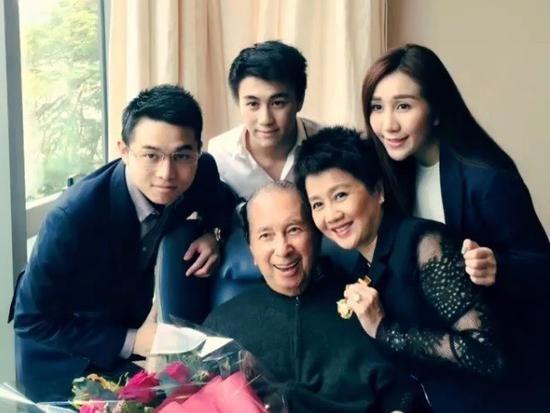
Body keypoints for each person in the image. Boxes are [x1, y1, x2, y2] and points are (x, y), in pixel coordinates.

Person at [11, 85, 236, 401]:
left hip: (124, 336)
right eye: (151, 155)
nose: (167, 173)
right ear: (124, 150)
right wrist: (134, 341)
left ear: (198, 150)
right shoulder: (72, 217)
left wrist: (214, 234)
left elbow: (222, 199)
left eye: (182, 155)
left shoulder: (199, 172)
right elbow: (31, 320)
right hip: (60, 356)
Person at [361, 44, 550, 409]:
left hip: (508, 365)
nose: (388, 124)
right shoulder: (391, 172)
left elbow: (543, 266)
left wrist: (499, 266)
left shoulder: (486, 178)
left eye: (403, 106)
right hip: (439, 357)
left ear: (435, 111)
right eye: (377, 107)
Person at [294, 127, 509, 413]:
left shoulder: (425, 244)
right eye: (318, 204)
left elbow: (487, 355)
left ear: (378, 191)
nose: (331, 215)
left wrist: (384, 330)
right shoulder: (359, 269)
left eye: (341, 195)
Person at [203, 181, 430, 413]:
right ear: (252, 249)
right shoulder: (221, 326)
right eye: (266, 235)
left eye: (294, 230)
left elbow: (404, 392)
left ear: (316, 236)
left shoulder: (365, 305)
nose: (283, 249)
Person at [208, 40, 322, 200]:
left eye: (278, 103)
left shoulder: (328, 144)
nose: (266, 119)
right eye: (253, 104)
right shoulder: (219, 154)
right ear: (238, 102)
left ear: (300, 100)